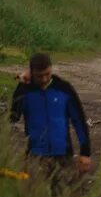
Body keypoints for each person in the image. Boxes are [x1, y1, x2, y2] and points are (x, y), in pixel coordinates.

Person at [8, 52, 92, 186]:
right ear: (32, 72)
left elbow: (79, 120)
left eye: (47, 74)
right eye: (39, 76)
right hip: (35, 157)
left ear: (51, 69)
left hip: (63, 156)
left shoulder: (64, 88)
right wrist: (21, 85)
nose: (44, 79)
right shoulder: (25, 91)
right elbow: (13, 117)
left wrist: (85, 152)